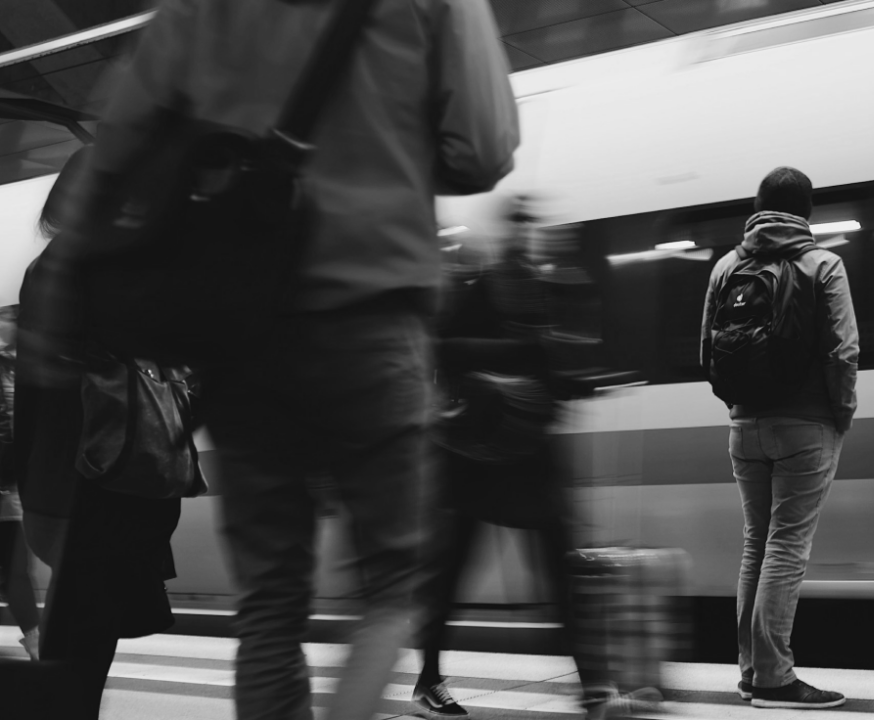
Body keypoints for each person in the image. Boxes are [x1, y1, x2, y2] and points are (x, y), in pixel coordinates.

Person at [46, 1, 519, 719]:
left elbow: (119, 149)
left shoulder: (199, 10)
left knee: (271, 597)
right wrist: (379, 138)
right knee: (395, 579)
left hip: (240, 334)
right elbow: (480, 150)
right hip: (371, 319)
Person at [9, 149, 183, 719]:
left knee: (84, 630)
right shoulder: (87, 269)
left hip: (75, 475)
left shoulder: (59, 267)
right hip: (91, 475)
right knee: (83, 638)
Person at [414, 200, 602, 717]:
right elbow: (442, 350)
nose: (527, 237)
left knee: (558, 573)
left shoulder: (542, 293)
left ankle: (593, 686)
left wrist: (572, 383)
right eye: (519, 227)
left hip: (529, 457)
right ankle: (428, 680)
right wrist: (521, 358)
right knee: (450, 574)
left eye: (531, 227)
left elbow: (547, 369)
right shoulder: (480, 288)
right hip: (474, 458)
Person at [700, 167, 859, 709]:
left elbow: (707, 350)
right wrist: (840, 414)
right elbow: (842, 352)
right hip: (807, 426)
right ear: (807, 212)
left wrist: (742, 408)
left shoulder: (727, 265)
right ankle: (774, 678)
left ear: (758, 206)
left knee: (756, 545)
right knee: (786, 547)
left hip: (744, 427)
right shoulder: (823, 265)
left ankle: (751, 671)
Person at [0, 305, 41, 661]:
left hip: (15, 486)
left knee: (17, 571)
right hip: (9, 483)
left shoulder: (31, 369)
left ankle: (35, 638)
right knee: (15, 570)